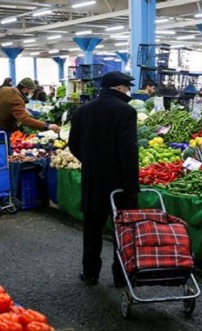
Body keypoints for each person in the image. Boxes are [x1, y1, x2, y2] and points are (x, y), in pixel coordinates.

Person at [68, 71, 140, 286]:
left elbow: (73, 144)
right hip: (120, 183)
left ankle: (90, 273)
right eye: (127, 87)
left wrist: (91, 163)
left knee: (92, 231)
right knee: (123, 232)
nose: (128, 91)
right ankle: (120, 276)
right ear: (118, 88)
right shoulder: (126, 111)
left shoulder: (82, 111)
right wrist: (131, 186)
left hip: (93, 181)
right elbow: (128, 151)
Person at [0, 77, 59, 154]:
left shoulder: (4, 89)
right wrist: (47, 126)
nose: (30, 94)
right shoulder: (17, 99)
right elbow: (25, 120)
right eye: (31, 91)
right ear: (25, 89)